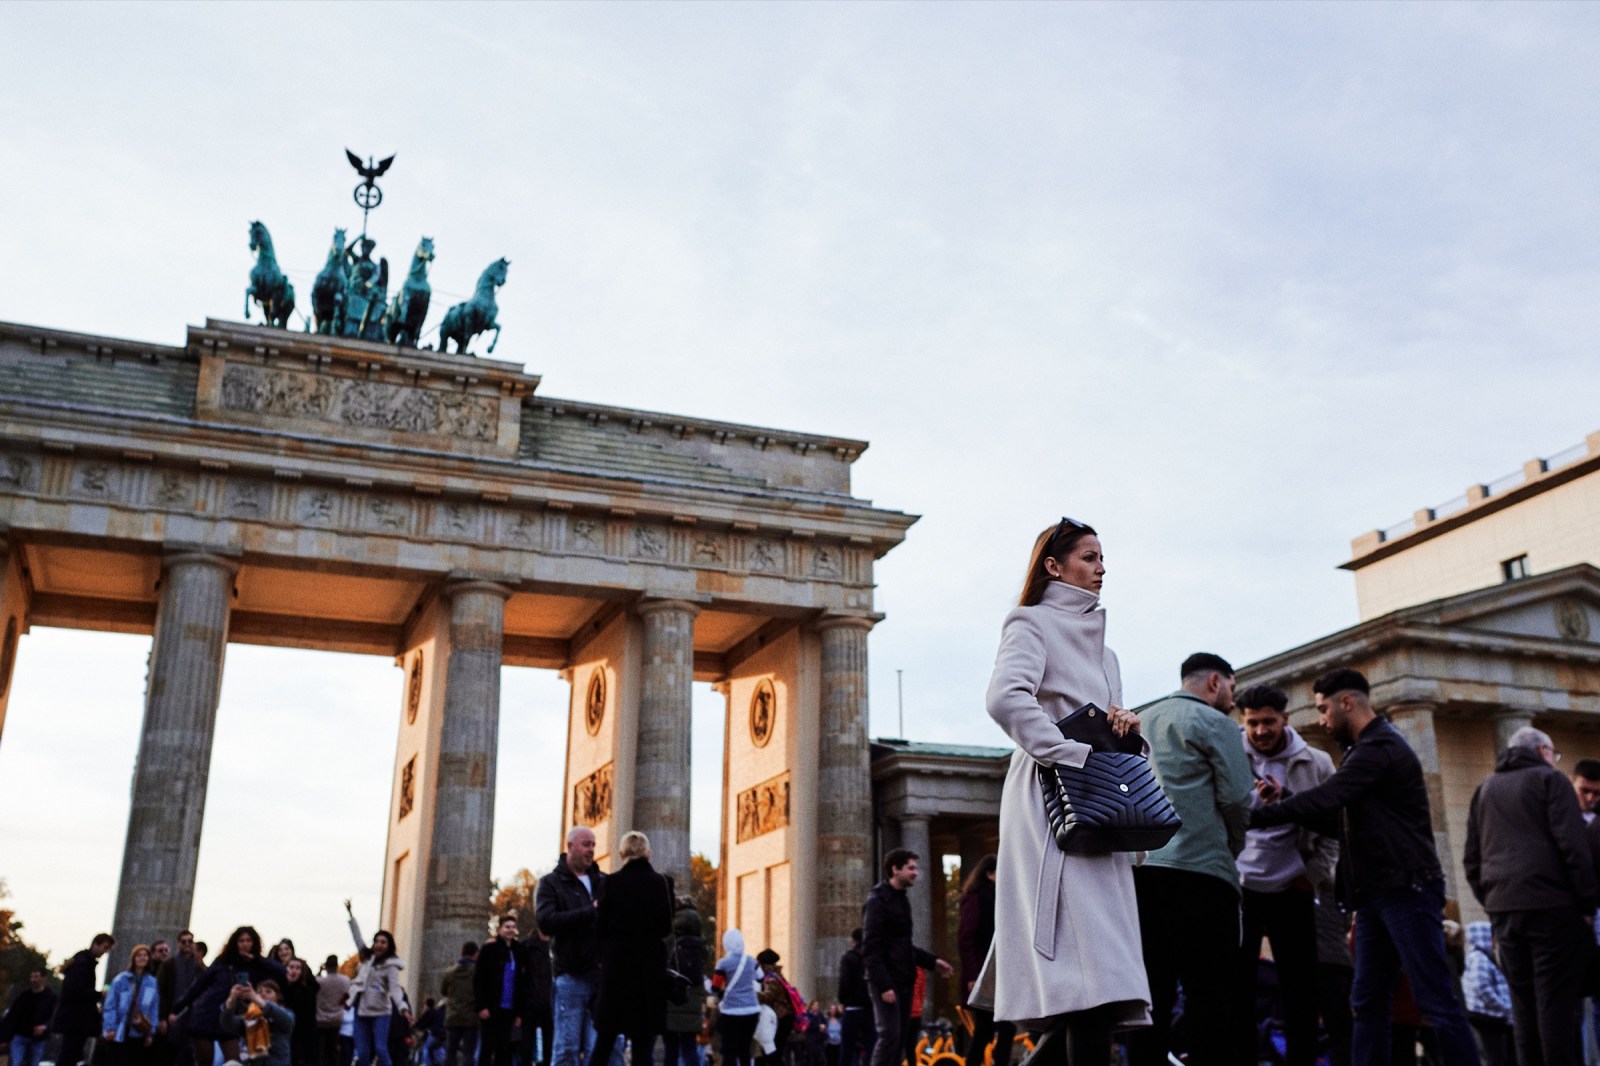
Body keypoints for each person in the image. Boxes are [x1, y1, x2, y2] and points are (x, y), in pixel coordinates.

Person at [977, 518, 1150, 1066]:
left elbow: (1105, 733)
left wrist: (1125, 731)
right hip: (1053, 805)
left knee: (1097, 987)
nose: (1102, 569)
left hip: (1100, 809)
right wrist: (1073, 754)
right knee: (1087, 978)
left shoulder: (1107, 653)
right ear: (1054, 565)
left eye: (1102, 559)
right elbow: (1005, 698)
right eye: (1090, 557)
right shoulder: (1029, 623)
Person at [1252, 668, 1481, 1066]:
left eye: (1323, 709)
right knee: (1368, 1001)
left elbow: (1329, 797)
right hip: (1376, 895)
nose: (1321, 720)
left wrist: (1253, 818)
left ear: (1347, 703)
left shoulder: (1380, 748)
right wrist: (1284, 800)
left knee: (1434, 999)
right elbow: (1340, 821)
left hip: (1406, 890)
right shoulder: (1364, 751)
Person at [1124, 651, 1253, 1066]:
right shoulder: (1217, 723)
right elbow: (1236, 798)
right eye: (1232, 688)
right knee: (1210, 993)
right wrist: (1231, 847)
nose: (1233, 699)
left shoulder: (1142, 719)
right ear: (1216, 682)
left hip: (1143, 873)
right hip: (1201, 871)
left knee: (1151, 992)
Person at [1464, 725, 1597, 1066]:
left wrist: (1493, 900)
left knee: (1522, 1007)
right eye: (1554, 754)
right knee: (1555, 1006)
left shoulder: (1485, 788)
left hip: (1505, 911)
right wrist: (1585, 904)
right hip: (1552, 908)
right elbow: (1573, 848)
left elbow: (1472, 858)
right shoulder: (1550, 782)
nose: (1555, 761)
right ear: (1542, 752)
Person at [1231, 683, 1338, 1066]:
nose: (1261, 731)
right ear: (1242, 722)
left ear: (1286, 720)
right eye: (1253, 723)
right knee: (1237, 989)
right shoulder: (1228, 756)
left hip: (1293, 884)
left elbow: (1333, 826)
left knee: (1301, 990)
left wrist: (1314, 874)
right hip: (1241, 886)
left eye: (1269, 723)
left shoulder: (1318, 762)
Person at [588, 831, 673, 1066]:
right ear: (648, 853)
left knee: (603, 1044)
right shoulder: (660, 883)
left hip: (617, 972)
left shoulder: (611, 882)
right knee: (643, 1049)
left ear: (621, 853)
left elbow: (600, 928)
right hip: (648, 974)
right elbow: (666, 927)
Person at [861, 848, 951, 1066]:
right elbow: (871, 948)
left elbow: (903, 946)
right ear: (895, 869)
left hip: (904, 979)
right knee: (889, 1036)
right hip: (887, 981)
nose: (915, 873)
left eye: (915, 868)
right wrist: (883, 986)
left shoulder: (901, 900)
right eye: (910, 868)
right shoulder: (877, 901)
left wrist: (933, 961)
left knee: (900, 1037)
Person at [536, 826, 612, 1066]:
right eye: (586, 844)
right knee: (566, 1049)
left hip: (601, 977)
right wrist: (590, 912)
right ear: (569, 846)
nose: (591, 850)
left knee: (599, 1049)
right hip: (570, 976)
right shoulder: (550, 883)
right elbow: (546, 922)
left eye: (593, 845)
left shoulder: (604, 882)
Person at [171, 926, 287, 1066]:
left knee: (233, 1061)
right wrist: (176, 1009)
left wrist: (257, 959)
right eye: (241, 940)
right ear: (235, 943)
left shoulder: (258, 965)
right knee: (205, 1061)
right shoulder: (223, 962)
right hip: (206, 1015)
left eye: (248, 940)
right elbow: (198, 986)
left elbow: (281, 972)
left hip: (231, 1018)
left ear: (254, 942)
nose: (245, 944)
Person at [956, 856, 1013, 1066]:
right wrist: (972, 975)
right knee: (996, 1029)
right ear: (989, 874)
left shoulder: (995, 897)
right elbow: (965, 938)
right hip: (982, 975)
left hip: (993, 975)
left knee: (988, 1030)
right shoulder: (976, 897)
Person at [52, 931, 115, 1066]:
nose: (105, 952)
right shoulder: (82, 964)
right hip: (75, 1020)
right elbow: (75, 991)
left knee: (70, 1055)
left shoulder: (82, 962)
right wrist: (98, 994)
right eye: (105, 947)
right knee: (69, 1055)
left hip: (75, 1020)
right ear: (95, 944)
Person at [349, 930, 410, 1066]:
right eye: (376, 942)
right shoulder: (367, 959)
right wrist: (350, 915)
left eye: (383, 942)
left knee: (380, 1049)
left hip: (381, 1011)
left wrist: (403, 1008)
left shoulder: (392, 966)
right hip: (362, 1010)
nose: (379, 945)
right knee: (362, 1052)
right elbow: (358, 938)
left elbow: (395, 989)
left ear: (389, 946)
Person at [476, 916, 529, 1066]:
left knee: (505, 1049)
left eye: (513, 927)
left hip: (509, 1009)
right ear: (500, 929)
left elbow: (523, 982)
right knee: (487, 1048)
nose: (510, 930)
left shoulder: (519, 951)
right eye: (507, 927)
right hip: (491, 1008)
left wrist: (520, 1012)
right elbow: (479, 979)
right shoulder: (488, 950)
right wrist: (481, 1005)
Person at [1460, 922, 1514, 1066]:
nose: (1496, 942)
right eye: (1493, 938)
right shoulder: (1479, 959)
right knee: (1495, 1057)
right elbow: (1481, 987)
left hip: (1489, 1017)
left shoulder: (1478, 957)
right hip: (1489, 1018)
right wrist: (1503, 1007)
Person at [662, 902, 707, 1066]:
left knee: (670, 1050)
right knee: (690, 1049)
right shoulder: (701, 945)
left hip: (672, 999)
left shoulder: (669, 941)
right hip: (692, 1001)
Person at [103, 944, 162, 1066]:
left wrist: (151, 1032)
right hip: (121, 1029)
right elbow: (110, 1005)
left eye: (145, 955)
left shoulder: (152, 982)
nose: (142, 958)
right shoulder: (121, 979)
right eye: (139, 955)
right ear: (133, 958)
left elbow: (153, 1009)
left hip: (139, 1031)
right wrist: (110, 1027)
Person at [712, 929, 761, 1066]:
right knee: (744, 1048)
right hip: (752, 1009)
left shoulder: (723, 963)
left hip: (731, 1011)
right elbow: (761, 978)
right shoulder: (752, 961)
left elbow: (715, 987)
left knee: (729, 1051)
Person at [221, 980, 296, 1066]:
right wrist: (231, 999)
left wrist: (258, 999)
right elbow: (227, 1024)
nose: (263, 994)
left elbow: (285, 1020)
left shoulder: (286, 1013)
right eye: (259, 992)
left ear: (277, 996)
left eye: (268, 991)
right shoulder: (249, 1017)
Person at [157, 932, 204, 1066]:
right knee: (168, 1055)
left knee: (188, 1055)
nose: (187, 944)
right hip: (171, 1017)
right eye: (184, 942)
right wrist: (162, 1018)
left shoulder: (198, 965)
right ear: (178, 943)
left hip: (192, 1018)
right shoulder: (169, 964)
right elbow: (161, 992)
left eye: (190, 941)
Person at [2, 966, 59, 1066]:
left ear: (43, 978)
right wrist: (4, 1038)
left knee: (33, 1063)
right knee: (16, 1063)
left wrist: (45, 1027)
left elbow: (54, 1017)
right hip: (20, 1036)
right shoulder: (24, 996)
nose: (33, 980)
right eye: (32, 977)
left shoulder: (51, 998)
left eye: (36, 977)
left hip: (38, 1039)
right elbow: (11, 1017)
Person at [755, 950, 802, 1066]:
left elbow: (768, 997)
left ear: (764, 964)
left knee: (772, 1051)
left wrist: (750, 994)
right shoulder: (777, 976)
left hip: (782, 1018)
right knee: (773, 1051)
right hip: (784, 1018)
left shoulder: (772, 979)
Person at [834, 932, 873, 1066]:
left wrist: (843, 1001)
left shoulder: (848, 958)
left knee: (847, 1047)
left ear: (853, 940)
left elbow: (844, 982)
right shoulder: (872, 957)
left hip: (852, 1008)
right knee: (870, 1046)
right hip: (870, 1008)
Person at [442, 942, 481, 1066]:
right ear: (476, 954)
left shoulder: (450, 972)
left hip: (453, 1017)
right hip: (471, 1018)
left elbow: (443, 991)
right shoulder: (477, 972)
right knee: (468, 1053)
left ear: (462, 952)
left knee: (450, 1052)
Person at [519, 925, 553, 1066]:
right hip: (530, 1001)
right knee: (527, 1042)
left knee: (549, 1042)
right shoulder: (526, 946)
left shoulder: (556, 945)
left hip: (550, 1002)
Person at [282, 958, 321, 1066]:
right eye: (291, 967)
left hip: (303, 1037)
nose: (294, 971)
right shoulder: (281, 987)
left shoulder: (307, 991)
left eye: (298, 968)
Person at [317, 956, 353, 1066]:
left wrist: (320, 970)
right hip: (337, 1019)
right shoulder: (345, 980)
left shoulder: (320, 981)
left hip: (321, 1019)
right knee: (333, 1051)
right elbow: (347, 996)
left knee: (320, 1051)